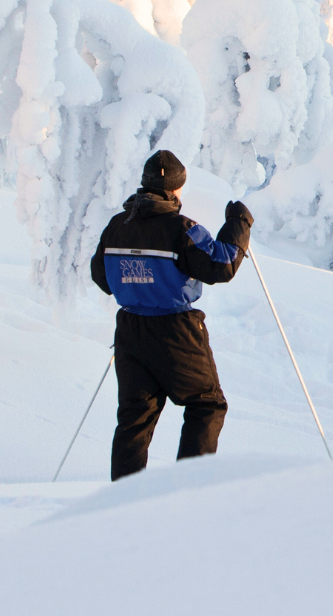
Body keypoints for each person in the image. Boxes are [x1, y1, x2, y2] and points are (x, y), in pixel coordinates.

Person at [91, 149, 254, 480]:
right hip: (175, 331)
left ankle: (124, 499)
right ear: (177, 189)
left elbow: (101, 277)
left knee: (135, 418)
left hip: (130, 331)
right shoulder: (182, 229)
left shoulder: (117, 226)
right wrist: (239, 223)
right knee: (206, 404)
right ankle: (187, 491)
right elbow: (221, 265)